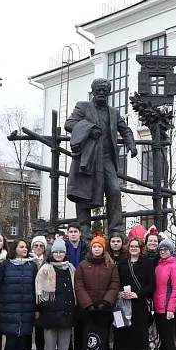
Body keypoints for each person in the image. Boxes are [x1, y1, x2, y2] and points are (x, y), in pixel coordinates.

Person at [64, 77, 138, 239]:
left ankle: (115, 229)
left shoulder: (113, 112)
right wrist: (89, 129)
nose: (102, 93)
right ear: (94, 92)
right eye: (99, 90)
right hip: (87, 157)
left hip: (106, 158)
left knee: (114, 190)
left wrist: (131, 144)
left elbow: (125, 130)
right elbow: (69, 124)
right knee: (84, 191)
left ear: (109, 93)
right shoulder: (83, 107)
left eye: (105, 90)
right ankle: (84, 228)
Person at [74, 236, 119, 350]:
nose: (97, 249)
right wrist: (87, 304)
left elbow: (114, 284)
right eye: (95, 247)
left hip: (104, 309)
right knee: (88, 338)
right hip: (88, 310)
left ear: (103, 248)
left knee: (103, 338)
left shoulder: (110, 266)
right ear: (91, 248)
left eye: (99, 247)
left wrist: (106, 302)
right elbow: (79, 286)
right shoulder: (82, 265)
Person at [0, 238, 38, 350]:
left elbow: (35, 289)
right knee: (11, 341)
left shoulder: (32, 266)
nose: (25, 249)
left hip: (26, 308)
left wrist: (36, 308)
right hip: (9, 309)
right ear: (15, 249)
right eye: (22, 247)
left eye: (26, 247)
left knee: (21, 341)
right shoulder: (4, 266)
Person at [35, 238, 77, 350]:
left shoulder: (70, 268)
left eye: (61, 252)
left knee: (65, 342)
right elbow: (39, 290)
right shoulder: (45, 269)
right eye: (56, 252)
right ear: (52, 253)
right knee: (50, 342)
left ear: (65, 253)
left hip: (66, 309)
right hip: (50, 310)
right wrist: (40, 308)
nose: (58, 254)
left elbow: (74, 288)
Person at [116, 237, 155, 350]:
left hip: (140, 304)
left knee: (139, 337)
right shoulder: (122, 263)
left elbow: (152, 285)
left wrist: (137, 294)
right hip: (124, 303)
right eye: (131, 246)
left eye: (136, 246)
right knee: (125, 336)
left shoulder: (147, 263)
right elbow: (117, 281)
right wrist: (120, 293)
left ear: (141, 249)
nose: (133, 248)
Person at [152, 237, 176, 350]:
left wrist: (171, 309)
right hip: (158, 309)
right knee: (162, 338)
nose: (163, 251)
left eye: (166, 249)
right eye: (161, 249)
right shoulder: (158, 266)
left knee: (168, 339)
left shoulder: (174, 267)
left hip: (167, 309)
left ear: (171, 251)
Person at [24, 235, 48, 350]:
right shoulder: (27, 261)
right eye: (35, 245)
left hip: (42, 301)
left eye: (41, 246)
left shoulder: (47, 261)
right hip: (28, 298)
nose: (38, 248)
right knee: (27, 332)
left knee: (40, 332)